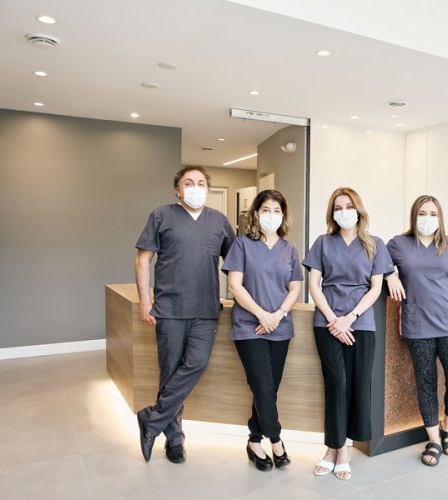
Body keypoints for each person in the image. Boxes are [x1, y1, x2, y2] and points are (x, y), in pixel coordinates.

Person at [134, 165, 236, 463]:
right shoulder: (161, 215)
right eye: (189, 183)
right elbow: (143, 259)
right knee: (169, 374)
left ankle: (151, 418)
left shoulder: (218, 221)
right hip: (169, 310)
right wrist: (144, 300)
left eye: (201, 183)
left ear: (208, 188)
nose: (195, 187)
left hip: (205, 310)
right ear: (177, 190)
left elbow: (236, 261)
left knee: (196, 363)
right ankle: (174, 438)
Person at [303, 187, 394, 481]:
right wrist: (333, 320)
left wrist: (350, 318)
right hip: (327, 323)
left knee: (357, 384)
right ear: (332, 213)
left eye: (349, 206)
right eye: (338, 207)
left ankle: (345, 451)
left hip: (361, 323)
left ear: (359, 210)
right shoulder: (322, 243)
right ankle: (333, 447)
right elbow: (314, 285)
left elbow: (376, 288)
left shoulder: (375, 244)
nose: (344, 211)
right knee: (336, 384)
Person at [386, 195, 448, 466]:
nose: (428, 218)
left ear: (440, 217)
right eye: (422, 213)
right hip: (418, 325)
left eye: (433, 213)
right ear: (414, 216)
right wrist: (390, 274)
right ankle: (434, 439)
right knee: (426, 384)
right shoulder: (398, 244)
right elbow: (377, 263)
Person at [221, 190, 303, 472]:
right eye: (266, 210)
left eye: (277, 211)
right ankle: (277, 440)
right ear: (255, 214)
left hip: (280, 328)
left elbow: (295, 288)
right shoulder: (242, 245)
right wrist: (261, 315)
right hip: (249, 327)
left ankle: (255, 440)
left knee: (269, 388)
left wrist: (277, 315)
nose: (271, 215)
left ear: (283, 215)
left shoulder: (289, 249)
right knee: (262, 385)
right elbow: (235, 285)